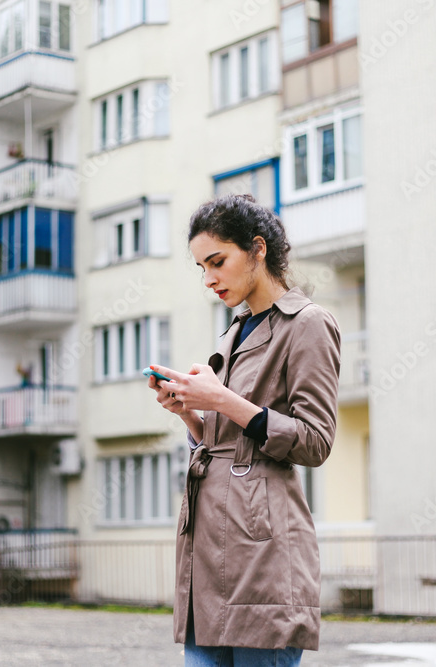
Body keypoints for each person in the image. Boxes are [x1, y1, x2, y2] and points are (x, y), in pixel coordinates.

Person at [146, 194, 341, 666]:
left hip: (263, 556)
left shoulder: (309, 324)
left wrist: (222, 400)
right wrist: (191, 414)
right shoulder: (235, 331)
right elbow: (228, 437)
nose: (209, 278)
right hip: (208, 556)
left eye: (217, 261)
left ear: (257, 249)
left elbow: (315, 441)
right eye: (201, 267)